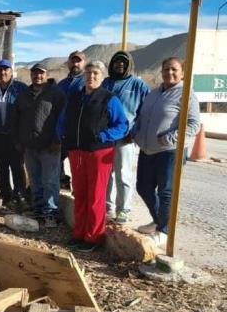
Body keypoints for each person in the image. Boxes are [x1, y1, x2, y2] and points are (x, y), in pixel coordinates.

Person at [57, 60, 128, 252]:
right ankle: (79, 233)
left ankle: (93, 237)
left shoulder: (109, 99)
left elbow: (122, 124)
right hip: (77, 151)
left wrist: (105, 135)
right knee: (80, 193)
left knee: (96, 195)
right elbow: (63, 119)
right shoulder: (75, 97)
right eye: (88, 73)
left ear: (102, 76)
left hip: (99, 152)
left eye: (96, 73)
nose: (92, 77)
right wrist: (62, 134)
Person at [133, 57, 200, 248]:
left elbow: (194, 124)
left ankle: (164, 231)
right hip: (148, 149)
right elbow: (142, 116)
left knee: (166, 192)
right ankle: (158, 220)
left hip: (170, 151)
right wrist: (136, 131)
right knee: (143, 187)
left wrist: (171, 137)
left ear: (182, 73)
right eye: (165, 69)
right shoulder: (154, 93)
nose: (169, 73)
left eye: (174, 69)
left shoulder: (187, 94)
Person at [11, 63, 65, 227]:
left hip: (50, 146)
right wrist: (19, 141)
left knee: (50, 181)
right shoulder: (24, 95)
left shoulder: (56, 94)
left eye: (41, 73)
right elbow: (16, 119)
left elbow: (63, 119)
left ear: (46, 74)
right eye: (34, 73)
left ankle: (51, 213)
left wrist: (58, 140)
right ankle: (39, 208)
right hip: (30, 146)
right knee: (35, 180)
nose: (37, 76)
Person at [102, 51, 150, 224]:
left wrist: (135, 132)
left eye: (123, 62)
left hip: (126, 138)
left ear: (129, 65)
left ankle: (124, 209)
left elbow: (146, 113)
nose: (119, 64)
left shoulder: (139, 85)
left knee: (123, 174)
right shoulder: (106, 83)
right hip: (106, 138)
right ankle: (107, 208)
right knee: (107, 175)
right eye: (116, 62)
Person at [0, 59, 28, 209]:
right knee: (2, 167)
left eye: (6, 70)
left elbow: (27, 111)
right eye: (0, 70)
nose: (3, 72)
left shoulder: (21, 88)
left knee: (17, 166)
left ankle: (20, 196)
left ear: (11, 72)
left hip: (15, 135)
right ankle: (4, 195)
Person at [57, 50, 86, 190]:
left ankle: (79, 192)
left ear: (84, 63)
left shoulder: (87, 82)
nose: (75, 63)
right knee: (57, 160)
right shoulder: (62, 84)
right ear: (68, 63)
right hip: (62, 131)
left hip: (79, 133)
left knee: (78, 165)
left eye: (78, 61)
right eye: (73, 61)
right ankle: (63, 181)